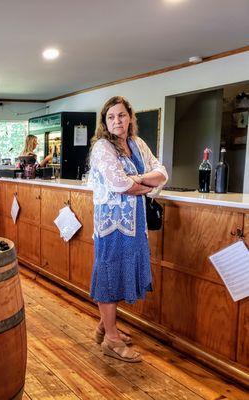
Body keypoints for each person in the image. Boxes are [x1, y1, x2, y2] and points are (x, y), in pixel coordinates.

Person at [88, 96, 168, 362]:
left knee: (123, 273)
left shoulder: (137, 144)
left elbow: (162, 173)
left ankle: (105, 326)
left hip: (136, 224)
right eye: (111, 117)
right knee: (109, 274)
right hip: (112, 223)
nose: (116, 121)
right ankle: (111, 339)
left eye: (121, 115)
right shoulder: (102, 147)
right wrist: (143, 184)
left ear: (130, 117)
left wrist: (138, 180)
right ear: (104, 122)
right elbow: (119, 185)